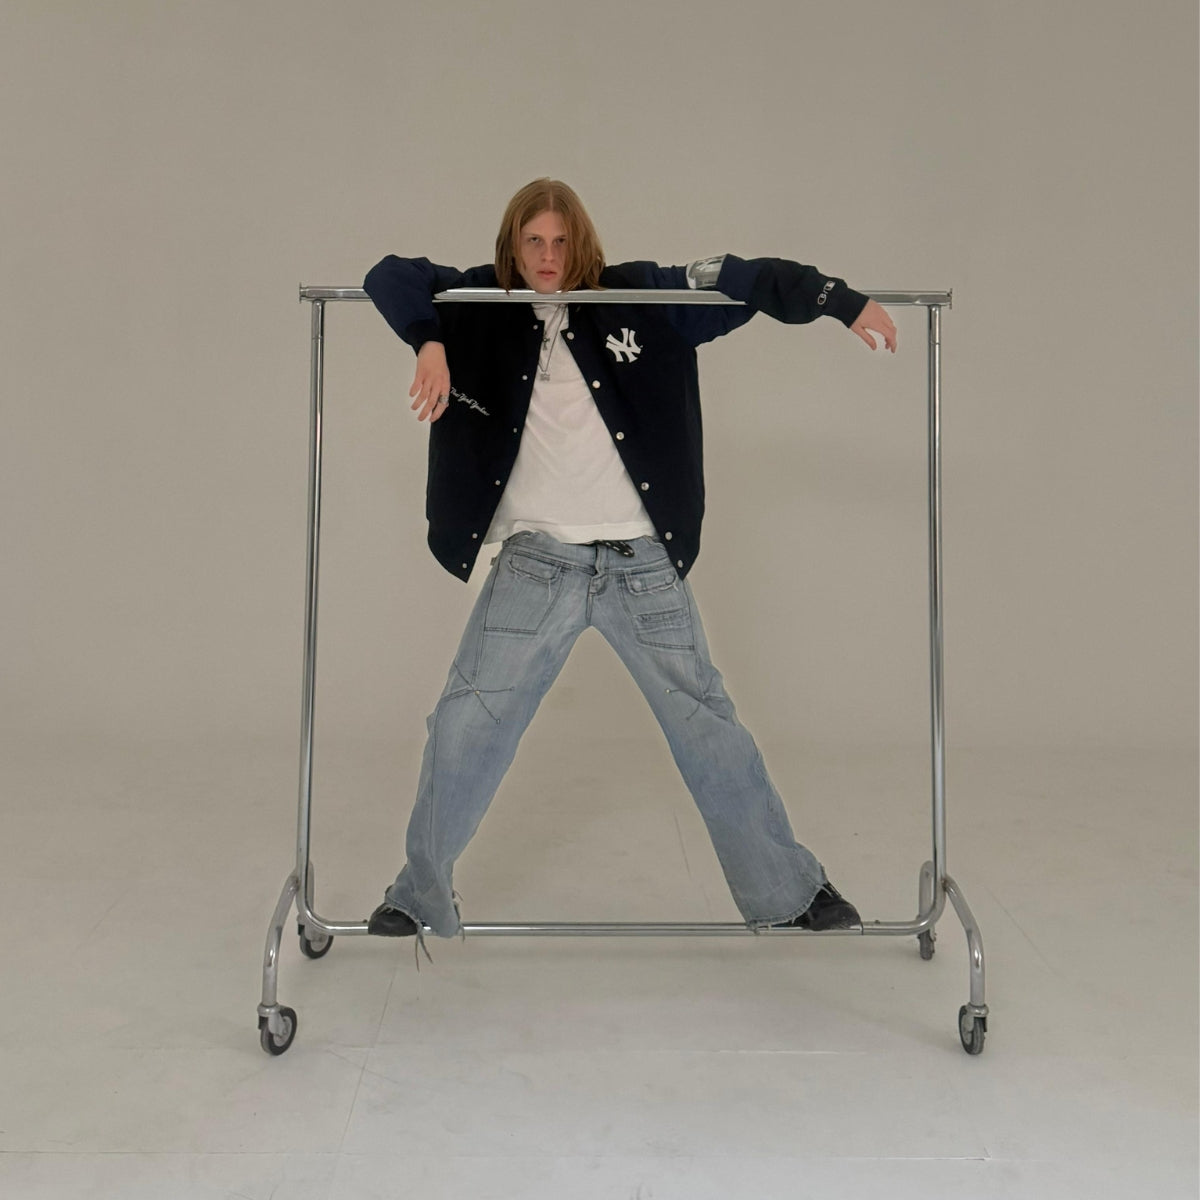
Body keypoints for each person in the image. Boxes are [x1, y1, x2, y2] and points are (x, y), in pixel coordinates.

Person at [362, 178, 897, 943]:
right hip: (537, 565)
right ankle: (418, 895)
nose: (548, 257)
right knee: (464, 724)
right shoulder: (476, 305)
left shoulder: (640, 295)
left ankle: (791, 891)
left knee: (708, 727)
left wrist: (840, 302)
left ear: (581, 243)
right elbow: (389, 274)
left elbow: (742, 278)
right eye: (533, 241)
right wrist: (429, 341)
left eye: (561, 241)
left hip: (642, 565)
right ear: (513, 245)